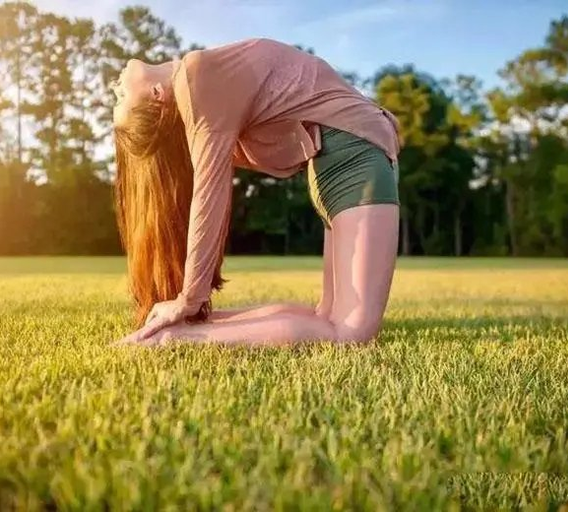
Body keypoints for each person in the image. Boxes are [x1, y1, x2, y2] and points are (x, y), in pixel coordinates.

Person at [111, 37, 401, 347]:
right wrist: (188, 299)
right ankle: (173, 338)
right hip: (350, 158)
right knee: (351, 332)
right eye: (122, 98)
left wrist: (189, 301)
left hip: (336, 162)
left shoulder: (209, 92)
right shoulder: (195, 77)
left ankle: (184, 331)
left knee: (326, 318)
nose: (115, 90)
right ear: (157, 95)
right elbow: (210, 193)